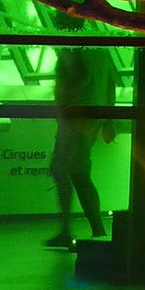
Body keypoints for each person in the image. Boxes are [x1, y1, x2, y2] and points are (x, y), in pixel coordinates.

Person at [46, 44, 114, 249]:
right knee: (73, 172)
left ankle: (92, 230)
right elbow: (110, 84)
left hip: (74, 121)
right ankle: (88, 230)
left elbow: (77, 79)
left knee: (70, 173)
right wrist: (108, 120)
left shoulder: (73, 49)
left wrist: (62, 108)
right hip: (90, 121)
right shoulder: (101, 50)